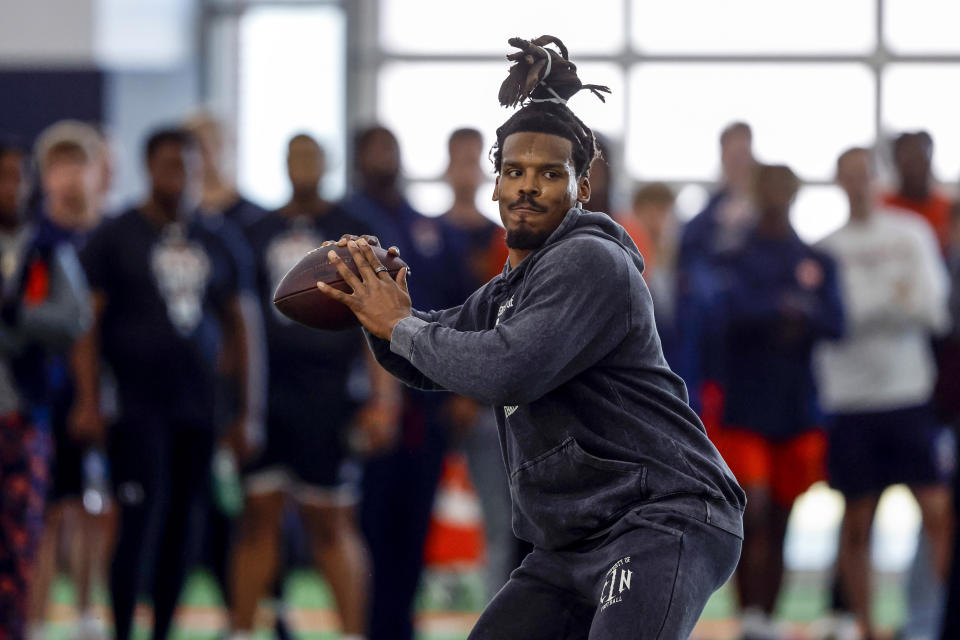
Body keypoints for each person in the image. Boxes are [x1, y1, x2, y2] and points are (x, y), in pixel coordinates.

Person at [318, 36, 745, 639]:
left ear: (582, 188)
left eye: (550, 174)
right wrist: (375, 306)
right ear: (494, 184)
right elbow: (427, 353)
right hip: (572, 540)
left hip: (660, 516)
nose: (527, 187)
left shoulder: (590, 261)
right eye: (514, 171)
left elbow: (504, 369)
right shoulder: (508, 289)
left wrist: (401, 325)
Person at [72, 127, 253, 640]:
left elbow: (243, 325)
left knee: (185, 526)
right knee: (138, 524)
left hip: (198, 410)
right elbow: (87, 325)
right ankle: (124, 628)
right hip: (134, 408)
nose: (182, 175)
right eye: (171, 164)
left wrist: (247, 410)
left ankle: (164, 630)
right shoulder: (115, 235)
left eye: (190, 165)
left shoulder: (217, 238)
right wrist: (88, 399)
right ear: (149, 168)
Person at [228, 133, 397, 640]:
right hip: (268, 395)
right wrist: (237, 404)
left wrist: (383, 398)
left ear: (326, 165)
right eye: (294, 156)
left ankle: (351, 633)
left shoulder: (354, 231)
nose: (302, 165)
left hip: (330, 394)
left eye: (311, 156)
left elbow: (382, 315)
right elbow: (239, 324)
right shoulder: (254, 231)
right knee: (258, 517)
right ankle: (240, 631)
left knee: (331, 521)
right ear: (283, 164)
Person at [341, 124, 473, 640]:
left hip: (427, 402)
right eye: (375, 148)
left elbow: (465, 311)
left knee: (413, 524)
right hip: (363, 404)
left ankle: (402, 626)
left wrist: (463, 390)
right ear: (357, 158)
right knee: (367, 524)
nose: (386, 157)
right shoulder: (344, 229)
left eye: (392, 148)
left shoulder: (430, 230)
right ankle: (368, 628)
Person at [814, 147, 953, 640]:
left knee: (938, 513)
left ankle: (942, 622)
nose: (857, 183)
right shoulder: (826, 248)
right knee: (856, 523)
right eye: (847, 175)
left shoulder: (909, 234)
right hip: (849, 401)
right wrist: (892, 301)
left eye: (864, 174)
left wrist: (870, 310)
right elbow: (834, 321)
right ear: (837, 181)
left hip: (908, 394)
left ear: (877, 178)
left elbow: (934, 310)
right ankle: (869, 629)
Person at [713, 164, 844, 640]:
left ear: (794, 193)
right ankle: (748, 613)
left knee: (788, 514)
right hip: (746, 405)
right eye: (765, 186)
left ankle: (768, 617)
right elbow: (728, 316)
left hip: (796, 405)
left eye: (782, 188)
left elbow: (835, 322)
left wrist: (792, 313)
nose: (774, 196)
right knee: (753, 509)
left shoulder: (815, 258)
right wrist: (783, 311)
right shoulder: (736, 256)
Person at [0, 138, 91, 639]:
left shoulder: (46, 245)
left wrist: (20, 316)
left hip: (23, 413)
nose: (9, 188)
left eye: (17, 176)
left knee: (22, 539)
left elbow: (74, 317)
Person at [26, 121, 112, 640]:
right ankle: (35, 618)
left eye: (78, 163)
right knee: (47, 510)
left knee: (94, 507)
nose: (69, 177)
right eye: (58, 165)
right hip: (47, 392)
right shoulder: (36, 239)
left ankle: (87, 613)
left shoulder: (114, 234)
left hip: (112, 392)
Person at [438, 127, 519, 600]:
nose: (467, 171)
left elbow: (501, 326)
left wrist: (471, 393)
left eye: (475, 160)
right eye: (459, 159)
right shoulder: (423, 235)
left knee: (502, 522)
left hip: (486, 401)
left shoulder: (502, 242)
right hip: (432, 394)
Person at [675, 122, 757, 419]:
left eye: (743, 154)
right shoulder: (711, 209)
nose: (738, 161)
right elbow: (689, 249)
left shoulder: (765, 209)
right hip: (715, 303)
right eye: (732, 154)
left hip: (750, 294)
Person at [628, 183, 680, 368]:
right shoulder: (626, 253)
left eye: (665, 211)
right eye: (653, 210)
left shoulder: (675, 258)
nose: (659, 218)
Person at [882, 132, 952, 254]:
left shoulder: (948, 210)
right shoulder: (883, 209)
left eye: (920, 159)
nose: (916, 169)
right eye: (909, 162)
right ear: (896, 164)